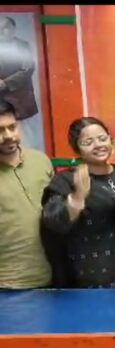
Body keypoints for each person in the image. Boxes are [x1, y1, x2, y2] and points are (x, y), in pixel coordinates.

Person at [41, 117, 115, 288]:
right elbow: (53, 223)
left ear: (111, 140)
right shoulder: (66, 180)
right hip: (86, 278)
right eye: (88, 142)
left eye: (102, 138)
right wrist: (77, 198)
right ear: (77, 149)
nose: (98, 145)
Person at [0, 99, 52, 288]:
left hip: (50, 278)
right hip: (6, 284)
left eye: (12, 127)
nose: (8, 136)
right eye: (0, 130)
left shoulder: (41, 161)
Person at [0, 16, 38, 122]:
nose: (2, 31)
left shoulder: (23, 46)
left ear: (13, 29)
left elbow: (28, 69)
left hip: (20, 98)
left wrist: (6, 83)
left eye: (5, 27)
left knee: (21, 129)